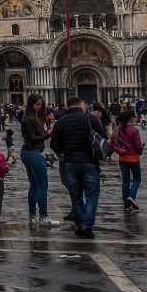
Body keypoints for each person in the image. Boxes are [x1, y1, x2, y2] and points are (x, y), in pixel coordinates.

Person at [50, 96, 108, 238]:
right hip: (89, 162)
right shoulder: (90, 119)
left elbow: (54, 145)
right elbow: (104, 137)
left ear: (67, 106)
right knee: (92, 195)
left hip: (70, 163)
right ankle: (86, 225)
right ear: (80, 104)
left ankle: (82, 224)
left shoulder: (60, 122)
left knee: (76, 196)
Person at [19, 93, 57, 225]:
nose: (40, 107)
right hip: (32, 153)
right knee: (42, 186)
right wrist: (48, 134)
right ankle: (44, 217)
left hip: (29, 153)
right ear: (31, 104)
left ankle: (32, 216)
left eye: (41, 105)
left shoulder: (32, 117)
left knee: (34, 185)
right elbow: (32, 139)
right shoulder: (28, 118)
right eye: (37, 104)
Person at [112, 109, 144, 212]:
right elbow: (138, 146)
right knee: (137, 179)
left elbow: (112, 143)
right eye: (134, 117)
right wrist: (140, 150)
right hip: (133, 158)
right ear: (131, 118)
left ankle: (126, 205)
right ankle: (131, 196)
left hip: (122, 158)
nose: (135, 118)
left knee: (125, 181)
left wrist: (120, 150)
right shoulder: (134, 130)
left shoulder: (118, 129)